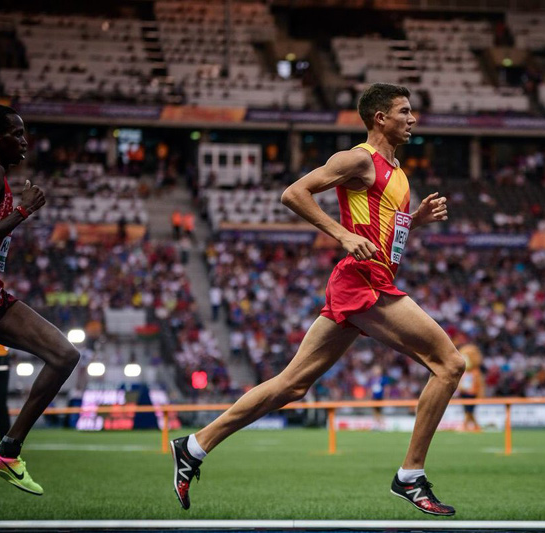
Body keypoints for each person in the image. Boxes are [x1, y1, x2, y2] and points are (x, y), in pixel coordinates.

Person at [170, 83, 464, 516]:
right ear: (380, 118)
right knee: (450, 364)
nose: (412, 118)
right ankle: (410, 476)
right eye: (404, 111)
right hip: (364, 283)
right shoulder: (357, 159)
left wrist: (412, 222)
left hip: (365, 281)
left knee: (293, 384)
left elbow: (384, 232)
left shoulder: (397, 171)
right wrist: (342, 234)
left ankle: (194, 446)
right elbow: (293, 193)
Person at [0, 105, 80, 496]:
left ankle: (8, 449)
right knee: (64, 355)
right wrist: (25, 210)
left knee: (64, 355)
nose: (24, 142)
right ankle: (8, 449)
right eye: (16, 134)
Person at [457, 344, 484, 432]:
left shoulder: (475, 372)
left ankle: (465, 426)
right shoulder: (464, 372)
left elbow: (480, 384)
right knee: (468, 411)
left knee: (469, 411)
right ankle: (476, 426)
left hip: (471, 394)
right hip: (464, 393)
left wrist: (479, 393)